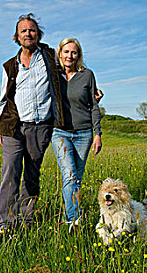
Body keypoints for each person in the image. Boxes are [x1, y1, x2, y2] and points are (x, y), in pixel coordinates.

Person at [0, 13, 64, 233]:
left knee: (32, 174)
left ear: (38, 34)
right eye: (23, 30)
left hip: (41, 126)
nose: (28, 33)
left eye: (32, 30)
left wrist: (91, 89)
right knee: (11, 171)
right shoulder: (9, 65)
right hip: (14, 127)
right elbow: (4, 97)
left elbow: (72, 70)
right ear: (17, 36)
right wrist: (0, 125)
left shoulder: (51, 56)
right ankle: (6, 222)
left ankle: (26, 219)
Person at [50, 37, 102, 233]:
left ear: (78, 55)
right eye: (66, 52)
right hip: (60, 132)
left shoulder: (87, 75)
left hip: (84, 133)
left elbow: (93, 106)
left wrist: (97, 133)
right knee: (70, 177)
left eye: (73, 52)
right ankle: (74, 221)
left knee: (76, 179)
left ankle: (68, 216)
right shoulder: (53, 75)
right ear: (59, 54)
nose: (69, 56)